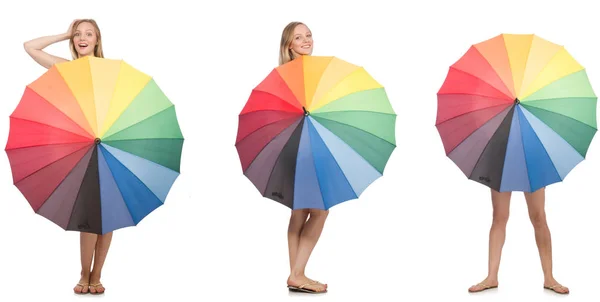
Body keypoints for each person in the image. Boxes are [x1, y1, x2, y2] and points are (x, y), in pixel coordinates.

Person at [23, 19, 110, 295]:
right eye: (78, 34)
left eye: (88, 34)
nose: (82, 38)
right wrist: (63, 33)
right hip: (82, 143)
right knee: (89, 214)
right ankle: (85, 272)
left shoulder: (110, 72)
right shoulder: (67, 68)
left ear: (98, 39)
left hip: (108, 141)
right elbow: (30, 47)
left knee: (108, 213)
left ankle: (97, 274)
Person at [278, 21, 328, 294]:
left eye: (308, 35)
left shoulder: (306, 70)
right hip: (300, 149)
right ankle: (297, 274)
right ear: (290, 45)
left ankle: (296, 273)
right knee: (320, 211)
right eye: (299, 37)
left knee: (299, 211)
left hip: (300, 147)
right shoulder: (295, 73)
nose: (306, 40)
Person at [468, 188, 569, 294]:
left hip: (533, 171)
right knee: (498, 217)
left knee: (539, 217)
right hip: (503, 171)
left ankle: (549, 278)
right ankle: (491, 277)